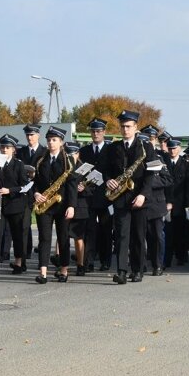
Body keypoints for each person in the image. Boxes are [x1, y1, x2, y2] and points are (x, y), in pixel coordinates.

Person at [104, 110, 156, 284]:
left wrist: (143, 195)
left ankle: (138, 269)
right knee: (121, 236)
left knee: (138, 236)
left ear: (136, 128)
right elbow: (105, 170)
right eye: (122, 126)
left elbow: (151, 175)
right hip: (120, 198)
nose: (125, 129)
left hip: (139, 198)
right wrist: (108, 180)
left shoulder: (147, 148)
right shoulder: (113, 148)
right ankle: (121, 271)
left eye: (128, 126)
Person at [33, 126, 76, 283]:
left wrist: (71, 206)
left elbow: (72, 186)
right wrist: (36, 194)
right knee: (44, 238)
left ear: (61, 142)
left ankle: (64, 270)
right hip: (45, 205)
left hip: (63, 205)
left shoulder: (68, 162)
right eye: (49, 140)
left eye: (54, 140)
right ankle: (43, 272)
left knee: (63, 237)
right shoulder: (40, 161)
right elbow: (35, 183)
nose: (51, 143)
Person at [79, 117, 112, 271]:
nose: (95, 134)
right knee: (89, 230)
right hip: (89, 196)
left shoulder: (111, 149)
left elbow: (113, 170)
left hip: (106, 195)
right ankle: (89, 261)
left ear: (104, 132)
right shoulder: (84, 151)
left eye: (98, 131)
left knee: (106, 230)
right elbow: (81, 171)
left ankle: (106, 261)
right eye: (93, 131)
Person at [0, 134, 30, 274]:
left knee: (17, 234)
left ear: (13, 149)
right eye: (2, 147)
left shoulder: (18, 164)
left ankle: (19, 262)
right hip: (0, 204)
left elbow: (25, 185)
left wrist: (10, 190)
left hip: (15, 204)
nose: (4, 150)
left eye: (7, 147)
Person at [16, 124, 46, 261]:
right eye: (28, 135)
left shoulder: (44, 151)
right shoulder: (21, 152)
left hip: (40, 191)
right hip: (25, 191)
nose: (30, 137)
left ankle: (42, 250)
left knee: (42, 224)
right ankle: (24, 252)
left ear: (38, 135)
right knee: (24, 224)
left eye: (32, 135)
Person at [164, 139, 189, 267]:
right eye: (170, 148)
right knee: (168, 233)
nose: (172, 151)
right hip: (166, 204)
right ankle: (167, 259)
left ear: (179, 149)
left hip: (181, 204)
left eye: (175, 148)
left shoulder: (186, 164)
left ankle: (181, 257)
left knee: (181, 232)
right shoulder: (164, 163)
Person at [65, 140, 92, 276]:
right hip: (65, 204)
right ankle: (61, 263)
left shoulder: (85, 168)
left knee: (78, 237)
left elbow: (93, 188)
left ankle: (81, 264)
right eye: (68, 154)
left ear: (78, 154)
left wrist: (84, 188)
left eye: (73, 154)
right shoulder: (63, 166)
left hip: (81, 206)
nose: (70, 156)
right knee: (63, 235)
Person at [145, 157, 172, 276]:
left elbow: (168, 179)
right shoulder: (132, 158)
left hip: (156, 204)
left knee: (157, 236)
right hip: (139, 204)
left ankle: (157, 265)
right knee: (139, 237)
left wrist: (147, 181)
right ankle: (140, 265)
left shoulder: (157, 159)